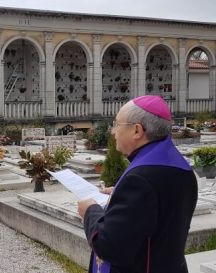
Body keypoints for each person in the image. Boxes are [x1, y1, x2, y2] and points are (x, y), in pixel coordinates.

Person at [77, 95, 198, 273]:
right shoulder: (181, 168)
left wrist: (90, 211)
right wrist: (119, 195)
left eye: (117, 124)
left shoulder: (139, 179)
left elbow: (110, 246)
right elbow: (157, 211)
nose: (113, 131)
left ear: (137, 130)